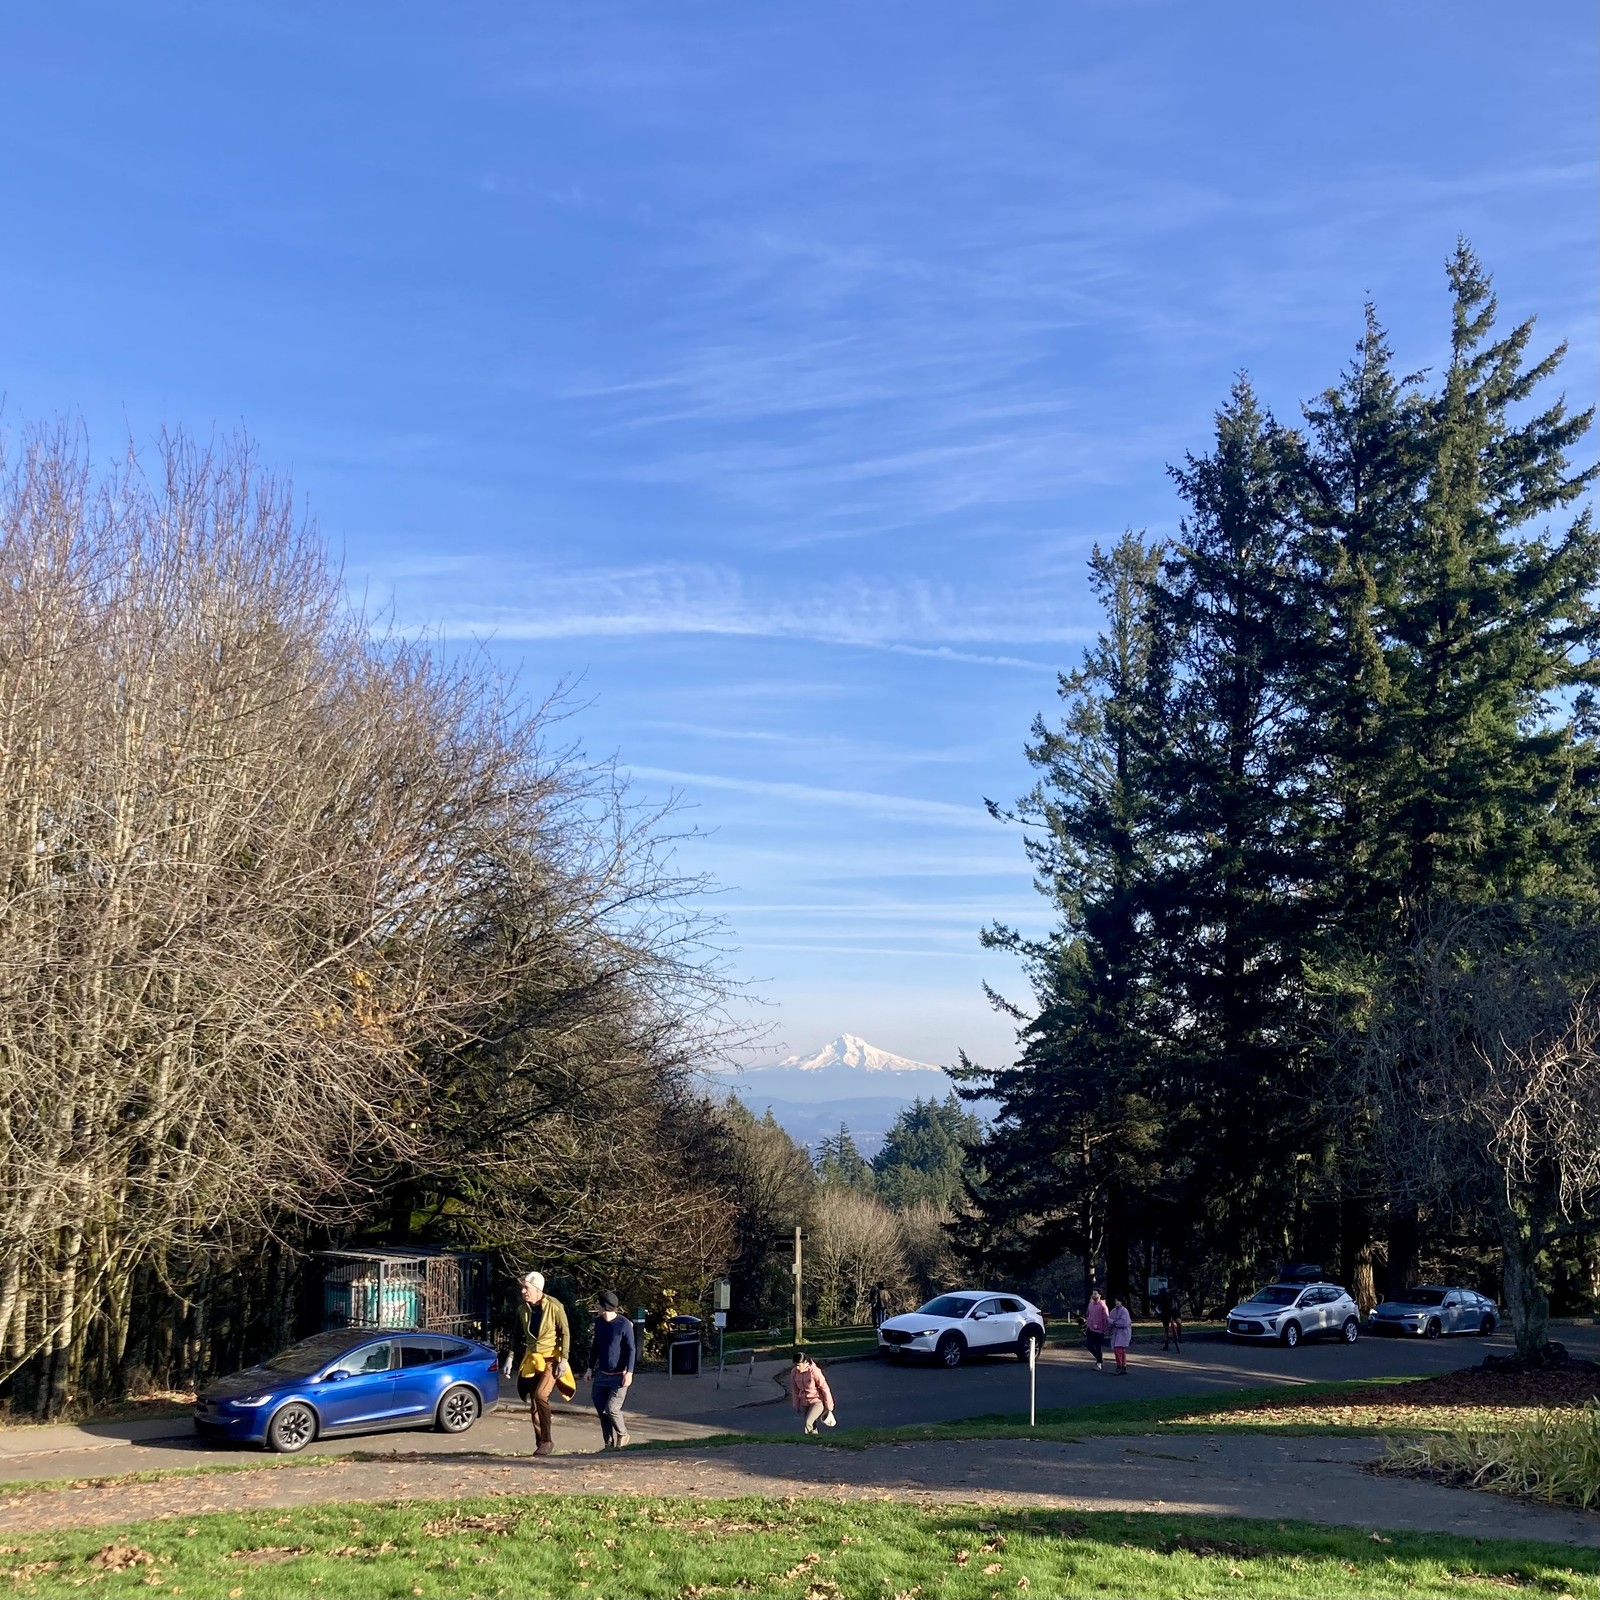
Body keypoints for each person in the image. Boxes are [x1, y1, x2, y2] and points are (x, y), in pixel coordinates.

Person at [503, 1270, 570, 1456]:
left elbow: (565, 1333)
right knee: (534, 1403)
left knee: (541, 1395)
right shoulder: (522, 1309)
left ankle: (548, 1441)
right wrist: (510, 1357)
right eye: (522, 1288)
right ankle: (540, 1442)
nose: (523, 1291)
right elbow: (516, 1335)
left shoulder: (555, 1306)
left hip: (551, 1360)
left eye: (527, 1288)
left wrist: (563, 1360)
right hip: (532, 1359)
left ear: (538, 1289)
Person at [583, 1290, 635, 1449]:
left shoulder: (624, 1324)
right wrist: (590, 1368)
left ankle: (623, 1433)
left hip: (619, 1375)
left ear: (604, 1306)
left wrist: (630, 1372)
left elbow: (631, 1349)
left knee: (612, 1409)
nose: (596, 1306)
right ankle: (608, 1444)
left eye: (598, 1304)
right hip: (602, 1375)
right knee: (601, 1409)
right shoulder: (599, 1323)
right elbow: (596, 1347)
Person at [789, 1349, 835, 1434]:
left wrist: (829, 1406)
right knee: (812, 1424)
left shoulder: (814, 1371)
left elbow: (824, 1388)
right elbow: (795, 1389)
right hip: (804, 1401)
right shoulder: (794, 1372)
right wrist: (796, 1404)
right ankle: (815, 1441)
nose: (797, 1368)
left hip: (817, 1401)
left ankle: (807, 1441)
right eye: (795, 1365)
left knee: (808, 1422)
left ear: (805, 1362)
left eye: (799, 1365)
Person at [1084, 1290, 1110, 1371]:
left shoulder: (1103, 1306)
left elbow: (1106, 1318)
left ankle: (1099, 1364)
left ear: (1100, 1295)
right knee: (1089, 1345)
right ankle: (1099, 1359)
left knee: (1098, 1347)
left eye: (1095, 1294)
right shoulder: (1090, 1304)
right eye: (1093, 1293)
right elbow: (1088, 1315)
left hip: (1099, 1330)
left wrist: (1105, 1329)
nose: (1093, 1295)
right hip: (1090, 1328)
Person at [1109, 1296, 1133, 1374]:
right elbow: (1109, 1319)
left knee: (1118, 1349)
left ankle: (1119, 1366)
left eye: (1118, 1301)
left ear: (1122, 1302)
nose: (1117, 1302)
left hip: (1123, 1332)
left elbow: (1124, 1322)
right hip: (1116, 1333)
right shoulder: (1113, 1311)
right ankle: (1123, 1366)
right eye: (1116, 1301)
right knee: (1120, 1350)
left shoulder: (1124, 1311)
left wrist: (1114, 1323)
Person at [1158, 1285, 1183, 1352]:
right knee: (1169, 1327)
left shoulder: (1172, 1297)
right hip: (1168, 1313)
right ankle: (1168, 1343)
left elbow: (1158, 1308)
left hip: (1171, 1313)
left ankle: (1177, 1338)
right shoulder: (1166, 1296)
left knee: (1176, 1324)